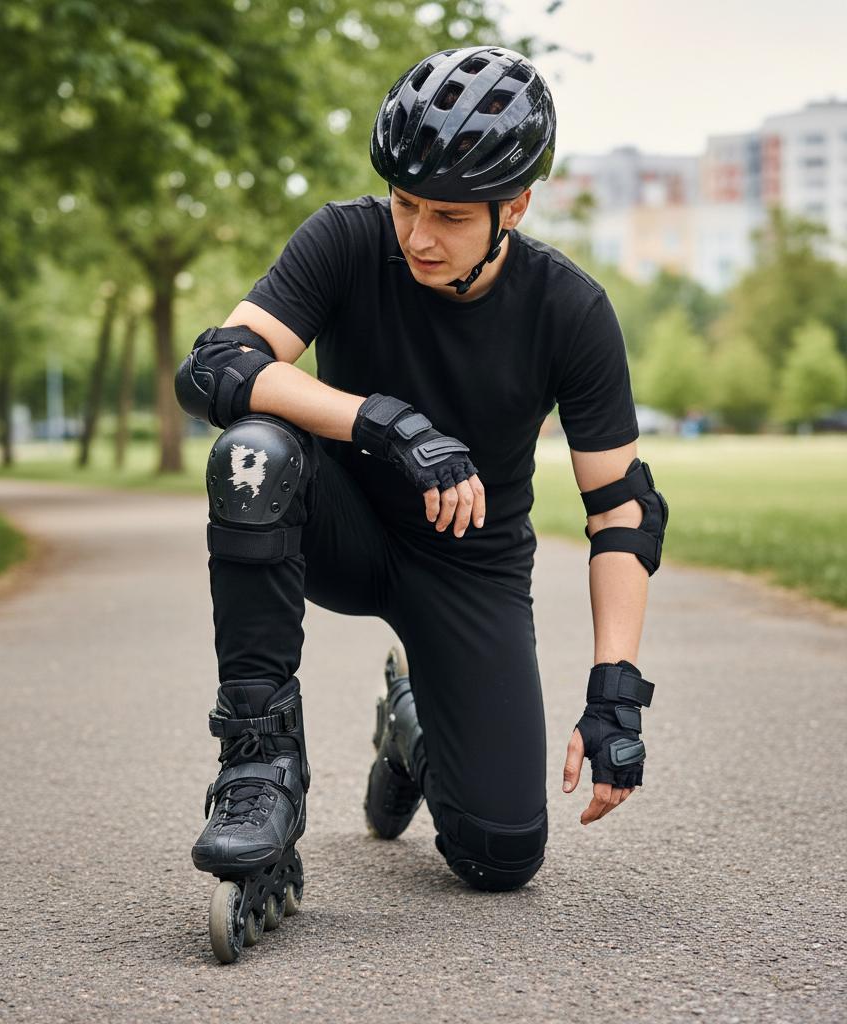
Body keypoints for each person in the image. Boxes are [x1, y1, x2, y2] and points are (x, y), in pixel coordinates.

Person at [175, 45, 668, 963]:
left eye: (448, 214)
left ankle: (411, 729)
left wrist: (616, 696)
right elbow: (215, 367)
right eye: (405, 203)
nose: (417, 234)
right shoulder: (344, 240)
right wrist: (384, 423)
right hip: (338, 524)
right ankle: (258, 767)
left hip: (467, 564)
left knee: (501, 853)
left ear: (514, 207)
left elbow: (624, 510)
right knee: (250, 451)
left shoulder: (570, 310)